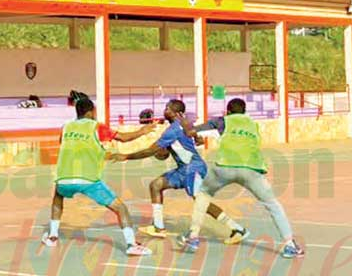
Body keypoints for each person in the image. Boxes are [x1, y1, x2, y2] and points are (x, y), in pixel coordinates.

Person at [180, 98, 304, 259]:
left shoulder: (222, 121)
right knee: (273, 205)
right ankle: (290, 244)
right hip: (251, 169)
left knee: (203, 193)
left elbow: (191, 132)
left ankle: (193, 237)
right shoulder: (253, 125)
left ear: (228, 111)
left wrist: (184, 123)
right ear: (245, 111)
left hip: (225, 167)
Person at [111, 99, 248, 244]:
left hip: (192, 168)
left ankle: (237, 228)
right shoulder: (184, 125)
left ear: (174, 113)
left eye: (167, 108)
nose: (164, 111)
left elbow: (152, 150)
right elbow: (195, 140)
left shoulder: (173, 130)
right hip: (184, 169)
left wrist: (126, 156)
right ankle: (158, 227)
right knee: (156, 185)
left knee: (201, 202)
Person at [41, 97, 152, 257]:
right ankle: (131, 244)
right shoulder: (97, 127)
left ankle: (52, 236)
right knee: (121, 209)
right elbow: (123, 138)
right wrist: (143, 131)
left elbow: (66, 144)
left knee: (58, 198)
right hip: (88, 179)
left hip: (64, 178)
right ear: (90, 111)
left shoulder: (66, 127)